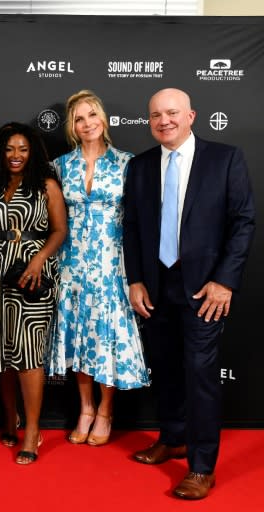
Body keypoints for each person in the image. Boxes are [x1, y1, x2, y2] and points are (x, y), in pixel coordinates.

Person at [123, 88, 255, 500]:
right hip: (156, 286)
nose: (164, 121)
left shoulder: (225, 158)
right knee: (164, 368)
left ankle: (200, 466)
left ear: (191, 115)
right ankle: (173, 437)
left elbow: (243, 221)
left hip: (204, 288)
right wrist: (136, 280)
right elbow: (131, 227)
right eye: (156, 115)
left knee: (199, 373)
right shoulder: (141, 165)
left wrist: (225, 281)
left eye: (173, 113)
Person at [46, 90, 149, 447]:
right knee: (79, 334)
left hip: (112, 264)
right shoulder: (61, 166)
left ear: (103, 120)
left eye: (92, 115)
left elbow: (138, 221)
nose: (87, 123)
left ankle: (106, 411)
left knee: (106, 336)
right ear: (72, 127)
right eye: (79, 118)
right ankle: (85, 409)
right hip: (73, 263)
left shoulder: (126, 163)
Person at [0, 122, 67, 465]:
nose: (15, 156)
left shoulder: (46, 185)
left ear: (32, 151)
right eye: (9, 149)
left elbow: (60, 230)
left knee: (29, 354)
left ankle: (32, 430)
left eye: (22, 149)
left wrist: (38, 261)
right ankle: (10, 419)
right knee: (1, 354)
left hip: (33, 277)